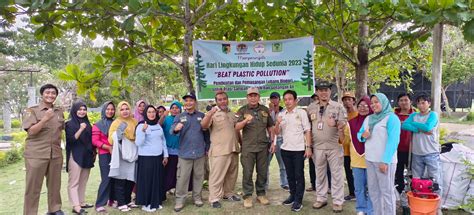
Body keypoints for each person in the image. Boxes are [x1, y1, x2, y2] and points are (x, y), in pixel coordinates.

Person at [22, 84, 65, 215]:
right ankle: (30, 212)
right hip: (36, 154)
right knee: (33, 187)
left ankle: (54, 209)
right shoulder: (32, 110)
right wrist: (45, 119)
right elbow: (31, 132)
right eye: (47, 92)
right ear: (42, 94)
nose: (50, 95)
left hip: (55, 154)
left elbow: (61, 130)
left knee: (54, 185)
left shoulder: (59, 111)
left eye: (53, 93)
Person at [307, 81, 347, 213]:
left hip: (334, 146)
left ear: (330, 91)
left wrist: (336, 123)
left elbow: (343, 125)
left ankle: (337, 201)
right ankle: (321, 198)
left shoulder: (338, 107)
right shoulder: (311, 107)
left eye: (326, 90)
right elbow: (307, 128)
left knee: (336, 175)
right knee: (320, 174)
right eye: (321, 90)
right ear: (317, 92)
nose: (324, 92)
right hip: (317, 147)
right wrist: (309, 146)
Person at [358, 93, 400, 215]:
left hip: (385, 162)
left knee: (387, 192)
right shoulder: (368, 119)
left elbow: (393, 141)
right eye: (372, 103)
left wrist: (385, 161)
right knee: (374, 191)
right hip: (370, 160)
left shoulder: (392, 118)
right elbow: (360, 134)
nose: (373, 105)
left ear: (384, 102)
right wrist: (362, 136)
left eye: (377, 102)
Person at [273, 90, 312, 212]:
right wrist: (277, 123)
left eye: (290, 99)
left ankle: (298, 200)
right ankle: (292, 195)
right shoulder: (282, 114)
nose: (287, 101)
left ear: (295, 100)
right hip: (285, 149)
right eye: (285, 99)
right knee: (290, 175)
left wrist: (308, 147)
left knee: (298, 175)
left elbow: (307, 130)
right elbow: (276, 132)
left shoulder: (301, 113)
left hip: (299, 149)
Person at [235, 87, 274, 208]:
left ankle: (261, 194)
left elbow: (270, 127)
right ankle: (247, 196)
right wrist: (245, 120)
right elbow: (237, 127)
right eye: (250, 96)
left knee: (262, 172)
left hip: (263, 146)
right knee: (247, 172)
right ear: (247, 97)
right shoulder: (242, 110)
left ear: (258, 97)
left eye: (255, 95)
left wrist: (273, 142)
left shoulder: (264, 110)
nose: (253, 98)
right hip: (248, 147)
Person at [201, 91, 241, 208]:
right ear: (216, 101)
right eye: (220, 99)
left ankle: (228, 193)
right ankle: (214, 198)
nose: (223, 101)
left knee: (232, 174)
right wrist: (209, 114)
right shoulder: (212, 113)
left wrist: (241, 143)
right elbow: (203, 126)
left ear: (227, 100)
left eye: (224, 99)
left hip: (233, 148)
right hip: (219, 150)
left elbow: (236, 130)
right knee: (217, 176)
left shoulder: (232, 113)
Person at [172, 92, 208, 212]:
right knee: (182, 178)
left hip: (199, 152)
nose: (188, 103)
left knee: (199, 176)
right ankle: (180, 200)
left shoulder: (202, 115)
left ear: (195, 102)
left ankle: (197, 198)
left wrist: (207, 147)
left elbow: (206, 133)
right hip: (185, 153)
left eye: (191, 100)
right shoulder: (179, 116)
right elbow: (172, 130)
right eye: (186, 101)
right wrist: (176, 129)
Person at [401, 95, 441, 195]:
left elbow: (428, 127)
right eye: (419, 103)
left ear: (429, 103)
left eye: (423, 102)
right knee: (416, 181)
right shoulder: (414, 115)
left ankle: (437, 207)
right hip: (416, 153)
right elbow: (404, 125)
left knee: (435, 181)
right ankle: (418, 203)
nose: (421, 105)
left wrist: (414, 125)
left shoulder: (433, 115)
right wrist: (419, 129)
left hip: (431, 153)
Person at [135, 105, 169, 212]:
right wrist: (143, 131)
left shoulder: (158, 126)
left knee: (157, 180)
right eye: (149, 112)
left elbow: (163, 141)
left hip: (158, 157)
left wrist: (165, 155)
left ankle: (155, 202)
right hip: (146, 158)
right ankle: (146, 203)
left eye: (153, 112)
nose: (151, 114)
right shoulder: (141, 126)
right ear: (145, 113)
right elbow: (138, 143)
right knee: (147, 181)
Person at [108, 101, 138, 212]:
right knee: (120, 179)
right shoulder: (116, 122)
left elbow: (138, 135)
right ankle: (121, 203)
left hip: (133, 154)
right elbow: (111, 139)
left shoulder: (134, 121)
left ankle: (127, 200)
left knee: (130, 179)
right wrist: (119, 135)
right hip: (121, 154)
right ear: (118, 111)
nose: (125, 111)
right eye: (122, 109)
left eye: (126, 109)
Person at [65, 101, 95, 215]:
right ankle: (75, 206)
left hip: (87, 156)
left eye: (84, 109)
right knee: (74, 182)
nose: (82, 112)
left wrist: (93, 152)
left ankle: (81, 202)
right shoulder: (69, 124)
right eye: (79, 109)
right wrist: (81, 129)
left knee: (83, 181)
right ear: (74, 110)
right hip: (75, 155)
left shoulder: (87, 123)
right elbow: (71, 140)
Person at [348, 96, 374, 215]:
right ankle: (361, 208)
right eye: (360, 106)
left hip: (372, 159)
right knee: (359, 187)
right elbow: (345, 140)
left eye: (366, 106)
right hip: (357, 160)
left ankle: (370, 210)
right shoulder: (351, 123)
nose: (363, 108)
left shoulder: (376, 121)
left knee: (371, 187)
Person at [92, 101, 115, 213]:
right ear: (104, 110)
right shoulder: (98, 125)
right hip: (104, 154)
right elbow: (95, 141)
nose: (110, 111)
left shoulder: (116, 123)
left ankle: (111, 200)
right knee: (106, 178)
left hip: (116, 154)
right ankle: (100, 203)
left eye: (112, 109)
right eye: (108, 109)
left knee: (115, 178)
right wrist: (108, 147)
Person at [266, 91, 289, 191]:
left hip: (280, 139)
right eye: (272, 98)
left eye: (276, 98)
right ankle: (265, 184)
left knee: (283, 164)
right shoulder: (266, 111)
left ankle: (284, 183)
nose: (274, 100)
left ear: (279, 100)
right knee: (265, 163)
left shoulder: (284, 111)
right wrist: (270, 111)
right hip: (268, 140)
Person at [394, 93, 415, 194]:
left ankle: (413, 193)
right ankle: (400, 193)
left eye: (406, 100)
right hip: (397, 149)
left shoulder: (415, 115)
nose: (403, 102)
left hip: (413, 150)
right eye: (401, 100)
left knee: (413, 173)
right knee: (398, 172)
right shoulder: (394, 116)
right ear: (398, 102)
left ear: (410, 101)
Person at [161, 101, 182, 194]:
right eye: (172, 108)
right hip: (168, 150)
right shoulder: (167, 119)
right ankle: (167, 187)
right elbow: (158, 125)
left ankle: (176, 188)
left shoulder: (183, 118)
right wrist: (163, 116)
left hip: (181, 149)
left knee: (179, 171)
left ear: (180, 109)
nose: (174, 109)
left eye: (177, 108)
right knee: (169, 170)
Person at [341, 91, 357, 201]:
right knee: (348, 171)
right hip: (345, 149)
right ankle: (352, 193)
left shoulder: (358, 115)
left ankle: (361, 191)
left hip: (357, 150)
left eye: (349, 99)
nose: (347, 102)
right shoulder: (343, 116)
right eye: (345, 100)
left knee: (358, 172)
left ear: (353, 101)